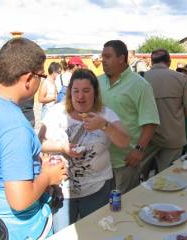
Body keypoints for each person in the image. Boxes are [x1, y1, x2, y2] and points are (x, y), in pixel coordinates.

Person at [0, 37, 67, 239]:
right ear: (28, 79)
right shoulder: (15, 126)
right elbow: (19, 199)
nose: (41, 80)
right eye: (41, 76)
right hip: (15, 228)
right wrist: (47, 176)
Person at [39, 68, 130, 232]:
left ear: (95, 92)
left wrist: (104, 125)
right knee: (63, 234)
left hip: (97, 189)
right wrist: (61, 147)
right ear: (69, 93)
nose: (80, 96)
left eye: (86, 91)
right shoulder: (56, 112)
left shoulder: (105, 114)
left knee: (96, 232)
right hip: (62, 192)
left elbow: (124, 142)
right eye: (76, 91)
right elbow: (38, 143)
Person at [99, 40, 160, 193]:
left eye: (108, 56)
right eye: (102, 56)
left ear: (121, 58)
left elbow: (150, 122)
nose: (103, 60)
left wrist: (139, 149)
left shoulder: (140, 85)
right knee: (101, 209)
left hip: (125, 161)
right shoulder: (97, 82)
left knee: (121, 204)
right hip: (100, 159)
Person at [144, 49, 187, 172]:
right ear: (169, 62)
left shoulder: (141, 78)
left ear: (152, 62)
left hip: (146, 138)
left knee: (142, 180)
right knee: (168, 178)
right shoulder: (181, 78)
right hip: (173, 137)